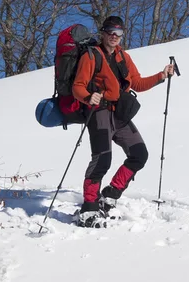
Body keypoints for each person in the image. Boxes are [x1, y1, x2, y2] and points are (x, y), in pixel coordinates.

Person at [72, 15, 174, 227]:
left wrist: (161, 76)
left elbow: (136, 83)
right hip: (98, 113)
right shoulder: (91, 56)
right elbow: (77, 87)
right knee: (102, 160)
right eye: (111, 32)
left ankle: (110, 194)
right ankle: (89, 208)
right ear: (103, 32)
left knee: (139, 154)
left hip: (119, 114)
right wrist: (89, 96)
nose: (115, 37)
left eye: (119, 33)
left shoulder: (123, 57)